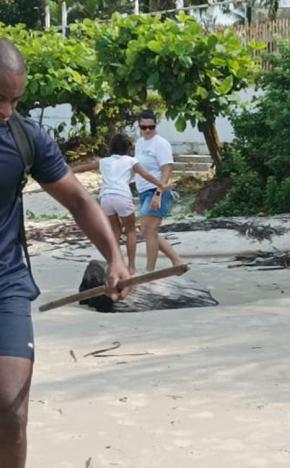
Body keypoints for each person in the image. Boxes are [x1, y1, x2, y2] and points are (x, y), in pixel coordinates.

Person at [0, 39, 130, 468]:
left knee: (10, 407)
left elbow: (78, 200)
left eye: (14, 100)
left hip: (6, 284)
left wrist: (114, 256)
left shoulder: (24, 138)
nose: (6, 110)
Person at [72, 133, 173, 275]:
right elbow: (147, 175)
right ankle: (131, 267)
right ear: (128, 148)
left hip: (106, 198)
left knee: (115, 231)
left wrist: (67, 171)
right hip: (122, 197)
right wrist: (162, 185)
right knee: (130, 231)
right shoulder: (131, 161)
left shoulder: (104, 161)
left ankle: (114, 263)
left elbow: (84, 167)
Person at [133, 110, 182, 272]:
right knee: (147, 231)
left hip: (156, 190)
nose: (147, 130)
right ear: (139, 127)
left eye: (151, 127)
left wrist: (159, 193)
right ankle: (176, 261)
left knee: (149, 230)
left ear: (155, 126)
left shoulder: (161, 143)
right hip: (142, 190)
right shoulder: (139, 143)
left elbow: (167, 170)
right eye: (143, 127)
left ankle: (149, 270)